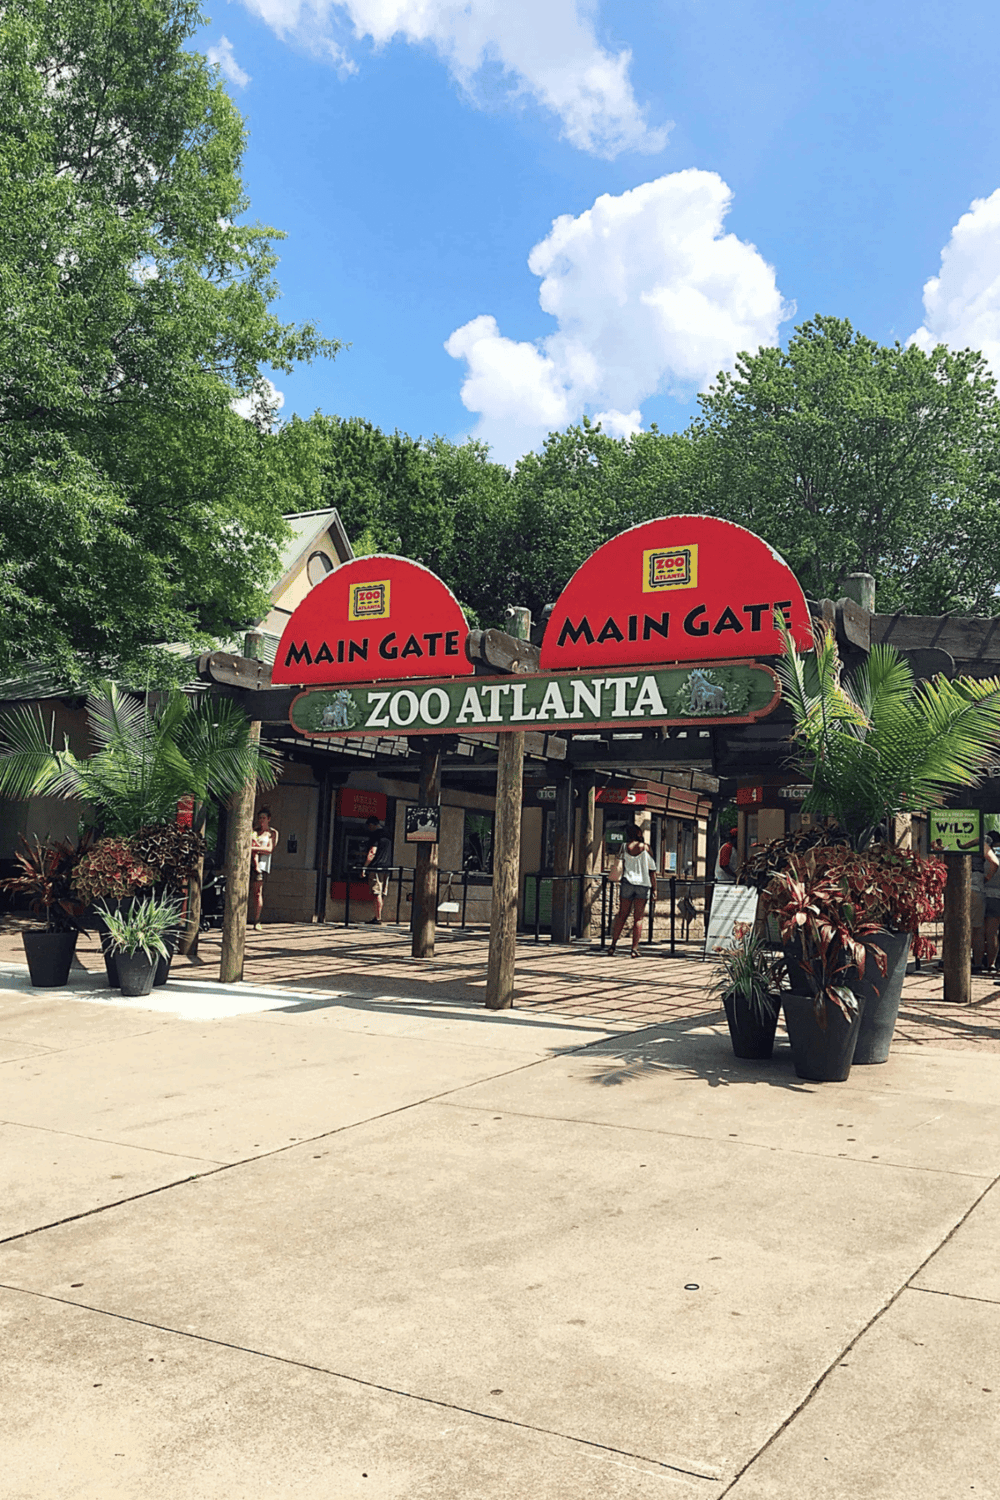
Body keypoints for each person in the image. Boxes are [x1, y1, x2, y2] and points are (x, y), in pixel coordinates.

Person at [608, 823, 657, 958]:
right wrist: (655, 889)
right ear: (639, 833)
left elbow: (618, 865)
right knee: (638, 918)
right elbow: (652, 871)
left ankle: (613, 945)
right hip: (643, 884)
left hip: (627, 883)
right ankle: (634, 948)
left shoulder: (623, 847)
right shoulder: (646, 848)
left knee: (622, 915)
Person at [249, 807, 279, 931]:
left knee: (258, 892)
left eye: (264, 818)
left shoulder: (272, 833)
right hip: (250, 862)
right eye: (260, 818)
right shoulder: (254, 832)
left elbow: (269, 850)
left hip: (261, 866)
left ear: (269, 819)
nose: (261, 821)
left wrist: (254, 848)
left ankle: (257, 920)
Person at [362, 815, 392, 925]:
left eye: (369, 826)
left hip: (376, 867)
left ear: (372, 825)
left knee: (376, 893)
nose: (369, 829)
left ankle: (378, 918)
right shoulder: (388, 834)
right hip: (387, 867)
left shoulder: (375, 835)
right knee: (382, 893)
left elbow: (372, 853)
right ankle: (378, 916)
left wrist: (364, 867)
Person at [983, 833, 1000, 974]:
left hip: (987, 893)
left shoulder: (988, 854)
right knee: (992, 932)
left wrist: (986, 879)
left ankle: (983, 961)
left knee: (982, 931)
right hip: (998, 896)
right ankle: (992, 963)